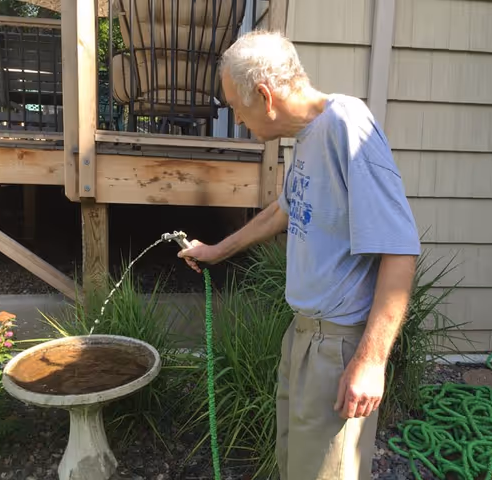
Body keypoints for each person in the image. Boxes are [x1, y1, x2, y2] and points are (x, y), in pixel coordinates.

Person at [178, 30, 421, 480]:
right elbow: (283, 211)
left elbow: (400, 250)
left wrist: (370, 362)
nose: (237, 118)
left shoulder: (347, 126)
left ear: (265, 96)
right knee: (296, 465)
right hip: (304, 337)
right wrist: (215, 251)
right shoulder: (308, 135)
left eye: (236, 106)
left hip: (338, 345)